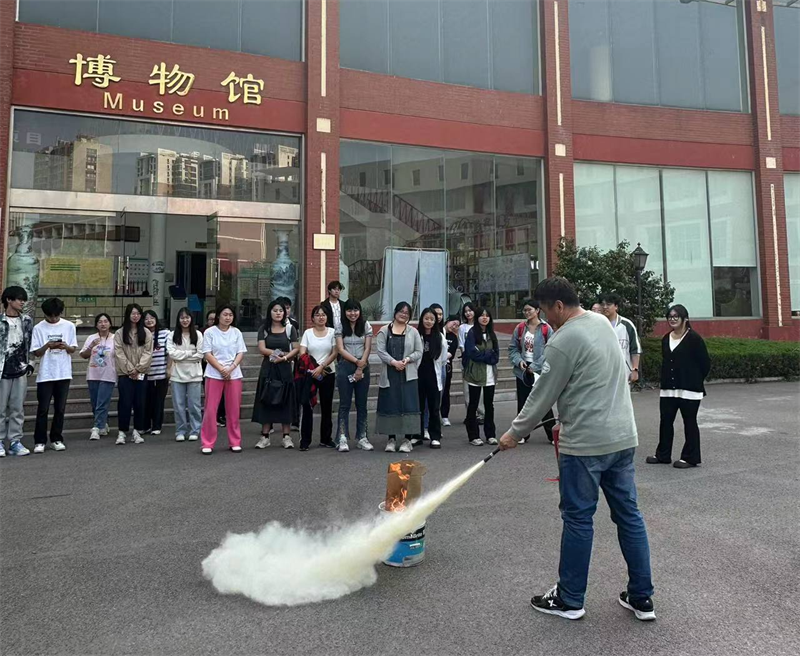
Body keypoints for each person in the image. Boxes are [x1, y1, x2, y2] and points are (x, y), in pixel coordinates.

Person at [498, 277, 655, 623]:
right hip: (622, 437)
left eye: (544, 310)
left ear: (558, 305)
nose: (544, 318)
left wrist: (513, 433)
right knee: (629, 516)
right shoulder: (601, 322)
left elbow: (542, 395)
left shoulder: (563, 339)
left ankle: (570, 599)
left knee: (578, 519)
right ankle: (642, 597)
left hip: (584, 445)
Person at [648, 304, 711, 469]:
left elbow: (705, 363)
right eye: (670, 316)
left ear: (685, 319)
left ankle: (690, 457)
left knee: (689, 422)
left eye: (676, 316)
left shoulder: (694, 339)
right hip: (668, 389)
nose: (673, 319)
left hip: (689, 390)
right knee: (665, 421)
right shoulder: (665, 338)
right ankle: (663, 455)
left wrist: (694, 380)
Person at [30, 297, 78, 453]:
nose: (53, 319)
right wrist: (47, 345)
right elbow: (36, 352)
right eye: (50, 316)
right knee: (43, 409)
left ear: (61, 313)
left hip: (63, 373)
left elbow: (73, 349)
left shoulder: (69, 326)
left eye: (56, 316)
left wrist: (65, 346)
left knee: (60, 408)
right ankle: (40, 441)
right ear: (45, 314)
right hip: (46, 373)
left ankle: (56, 438)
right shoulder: (38, 328)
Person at [375, 302, 423, 453]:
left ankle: (407, 440)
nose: (403, 314)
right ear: (395, 312)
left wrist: (407, 359)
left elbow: (419, 351)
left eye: (407, 313)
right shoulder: (384, 331)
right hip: (390, 374)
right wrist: (393, 362)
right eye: (401, 311)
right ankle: (391, 439)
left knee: (409, 405)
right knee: (391, 404)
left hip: (408, 374)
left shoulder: (413, 332)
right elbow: (380, 351)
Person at [200, 305, 247, 455]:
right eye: (225, 314)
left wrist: (231, 368)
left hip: (234, 374)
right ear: (218, 316)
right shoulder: (210, 332)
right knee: (210, 409)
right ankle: (207, 442)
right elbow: (207, 354)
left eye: (230, 315)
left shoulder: (236, 332)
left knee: (233, 409)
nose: (227, 317)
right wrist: (221, 369)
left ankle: (235, 441)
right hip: (214, 374)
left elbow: (240, 352)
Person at [252, 300, 299, 450]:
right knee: (266, 400)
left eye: (281, 310)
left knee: (286, 401)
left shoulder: (290, 329)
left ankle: (286, 437)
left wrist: (284, 358)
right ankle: (265, 437)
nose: (278, 313)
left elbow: (296, 348)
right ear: (269, 312)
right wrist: (278, 354)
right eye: (275, 310)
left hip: (284, 368)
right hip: (268, 368)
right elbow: (262, 348)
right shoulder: (264, 329)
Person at [508, 300, 555, 444]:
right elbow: (513, 348)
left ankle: (552, 434)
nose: (527, 312)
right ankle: (522, 434)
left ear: (537, 310)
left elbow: (550, 350)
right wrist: (519, 361)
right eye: (525, 310)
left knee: (543, 402)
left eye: (530, 310)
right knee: (523, 403)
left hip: (539, 370)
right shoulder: (520, 328)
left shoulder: (546, 328)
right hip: (523, 369)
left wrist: (535, 365)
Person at [335, 299, 373, 452]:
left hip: (363, 365)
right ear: (345, 312)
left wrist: (361, 365)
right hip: (346, 366)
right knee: (344, 404)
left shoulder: (366, 325)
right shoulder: (340, 326)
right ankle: (342, 437)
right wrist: (357, 362)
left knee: (361, 404)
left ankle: (362, 437)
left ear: (360, 311)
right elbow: (340, 349)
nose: (353, 313)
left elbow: (368, 347)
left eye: (355, 310)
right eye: (349, 310)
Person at [298, 305, 338, 451]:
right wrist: (313, 368)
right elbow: (302, 352)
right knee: (307, 406)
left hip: (327, 373)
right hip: (311, 374)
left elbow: (335, 352)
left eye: (323, 314)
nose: (321, 317)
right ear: (312, 318)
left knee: (327, 407)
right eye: (317, 315)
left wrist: (321, 367)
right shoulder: (308, 333)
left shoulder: (332, 332)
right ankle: (305, 441)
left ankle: (326, 438)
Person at [0, 286, 33, 457]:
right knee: (0, 408)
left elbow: (31, 343)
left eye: (23, 300)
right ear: (8, 300)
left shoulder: (26, 321)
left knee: (17, 408)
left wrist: (30, 363)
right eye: (19, 299)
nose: (22, 302)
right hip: (2, 370)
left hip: (20, 369)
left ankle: (15, 441)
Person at [114, 303, 153, 445]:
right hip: (125, 373)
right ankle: (122, 432)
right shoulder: (120, 333)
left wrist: (138, 369)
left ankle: (137, 430)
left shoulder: (146, 332)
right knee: (124, 402)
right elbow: (118, 352)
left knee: (140, 402)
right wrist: (130, 369)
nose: (135, 316)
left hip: (141, 373)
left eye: (138, 313)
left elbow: (148, 352)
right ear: (128, 315)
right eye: (133, 313)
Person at [462, 307, 499, 446]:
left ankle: (490, 435)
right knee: (473, 404)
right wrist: (487, 354)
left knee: (489, 405)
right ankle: (473, 435)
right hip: (475, 374)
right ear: (477, 317)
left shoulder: (491, 334)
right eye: (482, 315)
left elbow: (496, 355)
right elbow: (472, 353)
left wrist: (484, 355)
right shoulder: (472, 333)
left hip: (490, 374)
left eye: (487, 315)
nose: (484, 318)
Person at [412, 307, 448, 449]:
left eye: (432, 319)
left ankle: (435, 436)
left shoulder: (439, 337)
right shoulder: (416, 335)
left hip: (433, 375)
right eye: (426, 318)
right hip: (418, 375)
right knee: (418, 407)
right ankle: (417, 435)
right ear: (421, 319)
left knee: (434, 407)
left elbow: (443, 359)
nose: (429, 321)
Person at [167, 308, 204, 443]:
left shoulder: (198, 334)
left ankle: (195, 430)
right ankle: (180, 430)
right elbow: (171, 353)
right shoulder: (172, 335)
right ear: (178, 319)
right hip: (177, 374)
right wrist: (190, 353)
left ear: (191, 319)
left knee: (194, 405)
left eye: (187, 317)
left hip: (195, 374)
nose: (185, 320)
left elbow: (200, 354)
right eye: (182, 318)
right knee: (179, 405)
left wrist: (181, 355)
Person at [79, 313, 116, 441]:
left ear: (110, 323)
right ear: (96, 325)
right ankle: (102, 424)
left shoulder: (115, 338)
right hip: (93, 374)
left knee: (102, 402)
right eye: (100, 322)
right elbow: (83, 355)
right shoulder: (91, 338)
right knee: (95, 403)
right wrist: (91, 346)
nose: (103, 324)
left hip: (108, 374)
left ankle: (96, 428)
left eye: (105, 321)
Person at [600, 293, 641, 383]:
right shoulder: (597, 325)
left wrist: (635, 369)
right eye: (603, 304)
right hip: (602, 374)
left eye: (608, 304)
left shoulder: (627, 325)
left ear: (616, 306)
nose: (605, 307)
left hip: (623, 374)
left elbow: (635, 349)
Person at [142, 310, 170, 435]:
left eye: (152, 318)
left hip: (161, 373)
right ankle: (146, 425)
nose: (149, 320)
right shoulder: (141, 334)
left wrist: (168, 369)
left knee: (159, 401)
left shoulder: (166, 333)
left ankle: (157, 426)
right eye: (146, 318)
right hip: (145, 374)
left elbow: (170, 353)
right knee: (146, 401)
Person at [458, 302, 484, 423]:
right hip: (467, 361)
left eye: (470, 310)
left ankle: (482, 414)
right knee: (467, 389)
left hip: (479, 362)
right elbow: (461, 345)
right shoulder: (462, 328)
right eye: (466, 311)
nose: (468, 313)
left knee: (479, 389)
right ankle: (470, 414)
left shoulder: (480, 326)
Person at [204, 310, 226, 427]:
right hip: (209, 368)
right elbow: (206, 353)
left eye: (214, 319)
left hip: (227, 369)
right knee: (211, 399)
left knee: (224, 397)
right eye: (210, 319)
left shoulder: (233, 332)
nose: (212, 321)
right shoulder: (206, 332)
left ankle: (221, 416)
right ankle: (211, 420)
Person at [440, 314, 460, 428]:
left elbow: (450, 354)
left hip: (446, 367)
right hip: (433, 367)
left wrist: (439, 357)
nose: (454, 326)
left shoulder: (453, 337)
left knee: (445, 391)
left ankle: (444, 416)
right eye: (454, 323)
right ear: (448, 321)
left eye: (457, 325)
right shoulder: (438, 332)